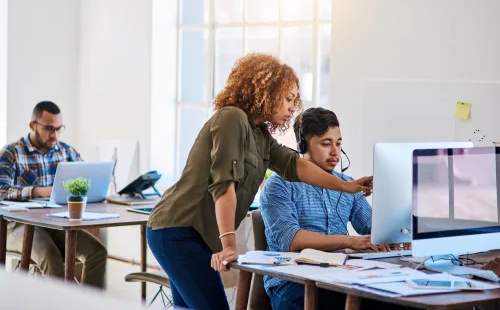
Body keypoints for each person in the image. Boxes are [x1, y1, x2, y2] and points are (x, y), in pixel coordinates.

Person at [146, 54, 373, 310]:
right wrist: (230, 246)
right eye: (288, 98)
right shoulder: (232, 118)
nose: (292, 107)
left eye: (294, 100)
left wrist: (348, 186)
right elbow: (224, 185)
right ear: (266, 92)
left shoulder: (259, 133)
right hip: (177, 230)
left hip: (191, 234)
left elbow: (295, 165)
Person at [260, 107, 407, 310]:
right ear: (303, 145)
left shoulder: (347, 184)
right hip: (292, 282)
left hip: (338, 278)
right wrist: (351, 241)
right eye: (326, 144)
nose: (335, 152)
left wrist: (398, 232)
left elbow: (374, 227)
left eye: (338, 144)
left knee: (397, 304)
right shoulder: (279, 184)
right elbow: (292, 240)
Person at [0, 101, 107, 288]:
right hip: (18, 225)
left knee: (97, 253)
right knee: (51, 258)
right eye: (49, 128)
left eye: (59, 129)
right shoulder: (12, 152)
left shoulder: (67, 152)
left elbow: (87, 181)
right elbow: (1, 191)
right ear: (33, 126)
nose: (55, 135)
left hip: (56, 222)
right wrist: (39, 191)